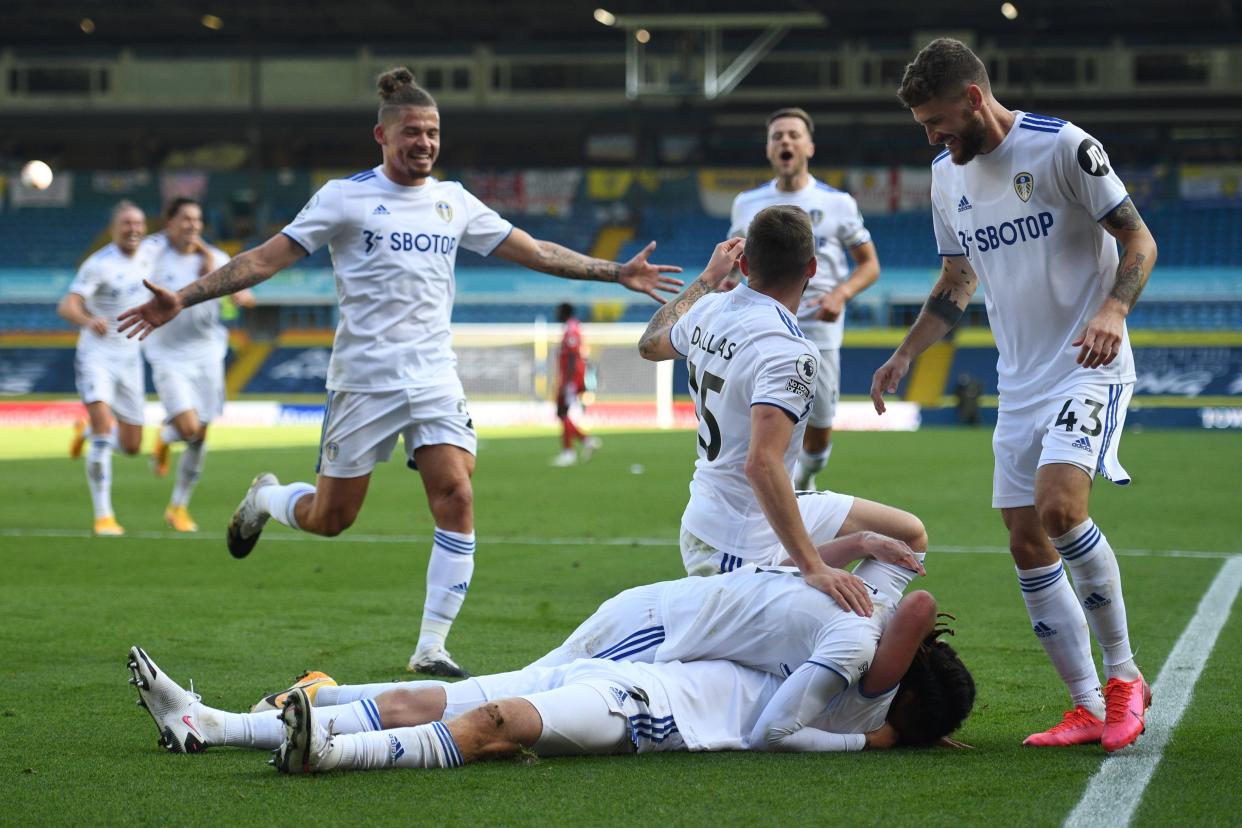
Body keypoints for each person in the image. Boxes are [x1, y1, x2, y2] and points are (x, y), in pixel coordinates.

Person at [117, 68, 682, 678]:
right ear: (382, 135)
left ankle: (431, 648)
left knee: (457, 495)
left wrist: (613, 272)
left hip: (435, 377)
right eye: (412, 132)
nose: (425, 143)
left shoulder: (454, 201)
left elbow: (537, 251)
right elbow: (263, 259)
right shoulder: (343, 197)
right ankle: (268, 498)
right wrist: (186, 295)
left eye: (433, 132)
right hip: (363, 380)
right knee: (331, 520)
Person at [871, 38, 1158, 752]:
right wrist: (906, 353)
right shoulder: (947, 176)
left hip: (1090, 362)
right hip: (1019, 381)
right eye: (923, 127)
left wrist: (1113, 311)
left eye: (937, 121)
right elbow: (956, 282)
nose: (933, 137)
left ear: (973, 98)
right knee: (1025, 540)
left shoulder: (1063, 148)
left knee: (1061, 510)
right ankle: (1087, 705)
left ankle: (1125, 679)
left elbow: (1140, 242)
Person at [123, 587, 974, 766]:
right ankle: (215, 726)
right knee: (428, 697)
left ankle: (327, 751)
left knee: (502, 720)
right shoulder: (847, 672)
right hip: (627, 668)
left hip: (652, 712)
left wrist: (891, 735)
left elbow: (770, 735)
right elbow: (910, 605)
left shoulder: (851, 710)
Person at [638, 209, 926, 614]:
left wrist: (706, 278)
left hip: (731, 507)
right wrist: (814, 567)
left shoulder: (707, 307)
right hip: (734, 539)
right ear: (812, 267)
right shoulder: (789, 349)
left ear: (743, 264)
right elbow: (761, 464)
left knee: (907, 534)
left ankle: (857, 623)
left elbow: (649, 343)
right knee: (754, 664)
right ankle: (848, 634)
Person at [728, 108, 881, 490]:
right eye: (777, 135)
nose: (785, 141)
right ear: (768, 148)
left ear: (809, 146)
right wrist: (728, 283)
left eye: (794, 135)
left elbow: (870, 265)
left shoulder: (838, 202)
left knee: (819, 431)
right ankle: (775, 492)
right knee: (758, 416)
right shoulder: (747, 203)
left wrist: (840, 294)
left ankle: (805, 478)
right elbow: (733, 261)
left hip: (817, 327)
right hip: (760, 325)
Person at [143, 197, 256, 532]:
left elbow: (242, 291)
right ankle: (166, 435)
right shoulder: (153, 256)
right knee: (189, 428)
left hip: (207, 352)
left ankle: (178, 506)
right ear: (170, 222)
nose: (192, 225)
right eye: (185, 219)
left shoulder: (217, 258)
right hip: (167, 352)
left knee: (200, 436)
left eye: (197, 219)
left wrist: (242, 296)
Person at [58, 201, 158, 536]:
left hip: (130, 358)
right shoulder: (98, 264)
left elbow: (178, 239)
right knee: (104, 431)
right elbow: (67, 304)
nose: (134, 229)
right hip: (96, 356)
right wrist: (88, 319)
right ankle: (104, 516)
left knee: (131, 445)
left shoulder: (149, 254)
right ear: (114, 228)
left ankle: (84, 433)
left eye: (139, 223)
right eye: (127, 223)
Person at [549, 302, 600, 467]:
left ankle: (571, 451)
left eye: (558, 310)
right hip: (570, 378)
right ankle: (583, 443)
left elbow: (572, 355)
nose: (556, 314)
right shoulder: (573, 327)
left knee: (562, 413)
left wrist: (568, 381)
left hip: (571, 379)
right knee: (563, 414)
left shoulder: (571, 329)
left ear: (564, 312)